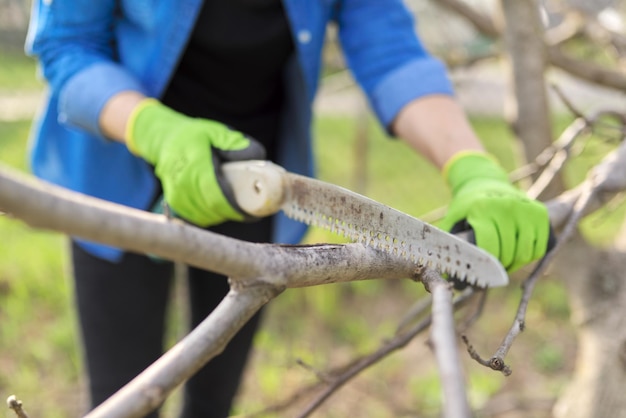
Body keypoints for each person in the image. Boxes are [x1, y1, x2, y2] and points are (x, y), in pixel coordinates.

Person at [25, 1, 551, 417]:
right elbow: (68, 44)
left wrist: (470, 166)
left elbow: (390, 50)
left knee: (212, 400)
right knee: (124, 394)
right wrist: (154, 132)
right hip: (117, 173)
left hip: (254, 180)